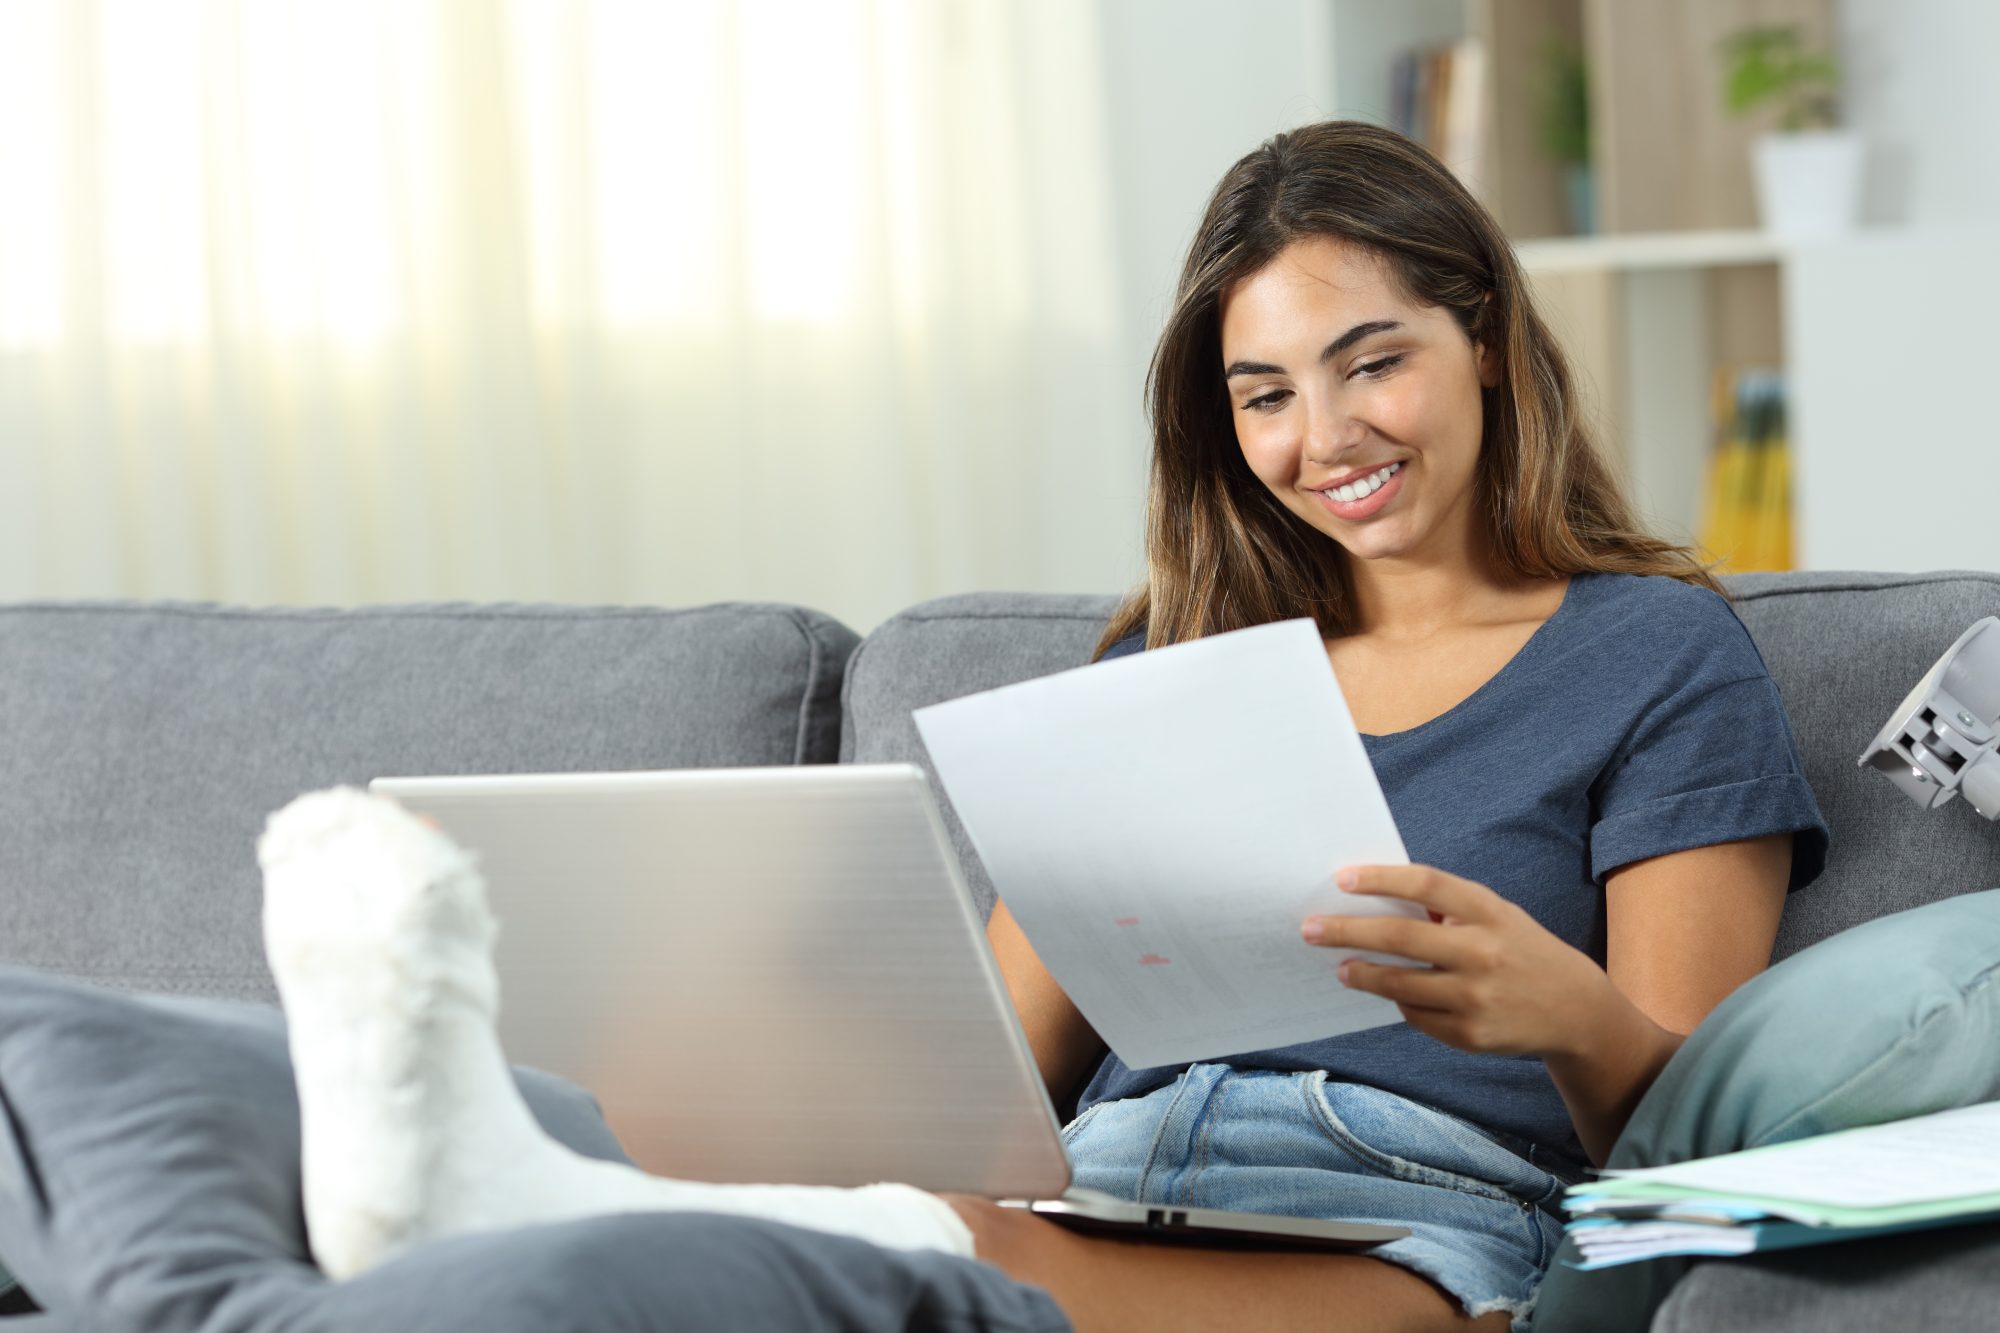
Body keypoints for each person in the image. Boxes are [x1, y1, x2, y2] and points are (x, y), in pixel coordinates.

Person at [262, 121, 1827, 1333]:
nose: (1325, 435)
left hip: (1422, 1220)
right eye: (1265, 391)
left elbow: (1692, 1150)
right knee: (836, 1222)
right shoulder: (1187, 652)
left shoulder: (1656, 656)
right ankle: (520, 1169)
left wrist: (1558, 1005)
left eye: (1374, 363)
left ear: (1483, 337)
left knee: (929, 1274)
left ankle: (514, 1198)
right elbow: (999, 1068)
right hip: (1116, 1181)